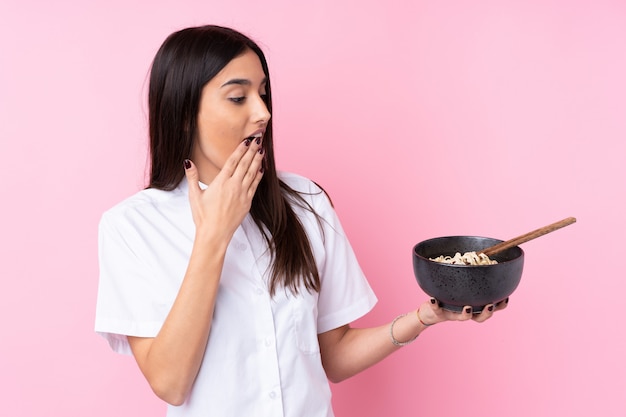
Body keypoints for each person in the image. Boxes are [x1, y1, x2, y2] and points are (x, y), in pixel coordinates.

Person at [95, 25, 507, 417]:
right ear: (184, 114)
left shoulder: (306, 202)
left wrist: (426, 317)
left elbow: (335, 356)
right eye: (238, 98)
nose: (263, 114)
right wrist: (213, 237)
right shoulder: (132, 227)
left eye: (264, 94)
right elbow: (171, 382)